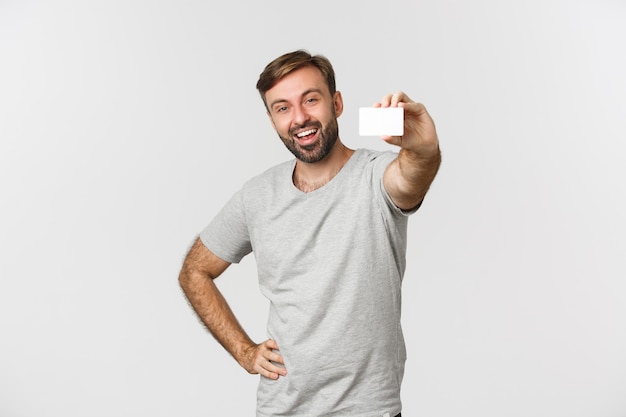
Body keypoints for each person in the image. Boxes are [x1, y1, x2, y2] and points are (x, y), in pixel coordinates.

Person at [178, 49, 441, 417]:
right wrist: (244, 351)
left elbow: (412, 175)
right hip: (281, 409)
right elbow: (194, 271)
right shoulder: (257, 196)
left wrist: (423, 149)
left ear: (336, 103)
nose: (300, 118)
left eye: (311, 100)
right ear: (271, 119)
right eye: (282, 107)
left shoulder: (376, 175)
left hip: (368, 410)